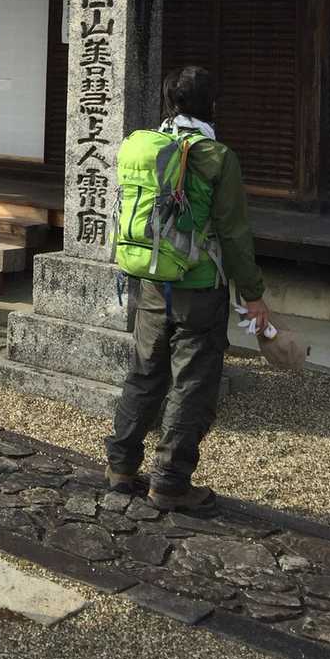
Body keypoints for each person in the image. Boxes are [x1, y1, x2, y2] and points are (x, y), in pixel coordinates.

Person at [104, 65, 269, 512]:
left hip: (152, 279)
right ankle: (170, 483)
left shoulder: (149, 145)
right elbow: (233, 233)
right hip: (199, 286)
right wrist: (253, 294)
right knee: (191, 383)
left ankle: (121, 467)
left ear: (169, 103)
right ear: (211, 104)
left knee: (145, 371)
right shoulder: (216, 156)